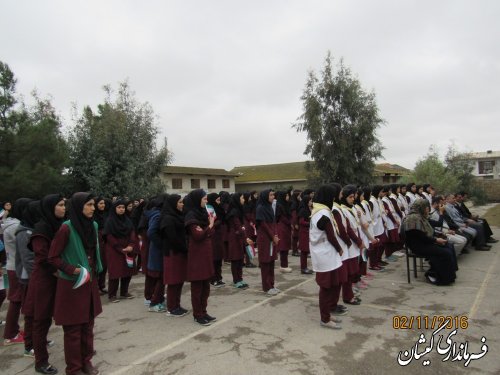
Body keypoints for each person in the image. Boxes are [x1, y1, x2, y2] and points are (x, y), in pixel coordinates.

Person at [48, 192, 103, 375]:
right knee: (73, 330)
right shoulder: (66, 228)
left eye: (93, 205)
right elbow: (53, 257)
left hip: (89, 283)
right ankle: (74, 368)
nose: (93, 208)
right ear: (79, 206)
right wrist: (72, 269)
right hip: (72, 285)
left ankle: (86, 362)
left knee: (88, 326)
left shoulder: (93, 225)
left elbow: (94, 252)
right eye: (89, 205)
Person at [29, 194, 65, 375]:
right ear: (50, 207)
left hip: (59, 277)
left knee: (67, 316)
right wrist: (61, 272)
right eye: (60, 205)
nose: (63, 208)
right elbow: (42, 258)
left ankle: (77, 350)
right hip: (45, 280)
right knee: (41, 320)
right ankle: (41, 361)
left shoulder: (60, 225)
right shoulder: (41, 229)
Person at [310, 185, 345, 329]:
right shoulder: (322, 214)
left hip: (327, 254)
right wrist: (339, 248)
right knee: (325, 288)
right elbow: (330, 235)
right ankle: (324, 319)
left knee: (332, 285)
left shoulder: (321, 211)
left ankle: (328, 315)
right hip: (324, 255)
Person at [403, 199, 457, 286]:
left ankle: (449, 274)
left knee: (448, 246)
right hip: (418, 246)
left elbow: (429, 232)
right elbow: (420, 236)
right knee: (444, 253)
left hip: (424, 243)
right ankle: (434, 275)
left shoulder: (420, 217)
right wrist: (436, 240)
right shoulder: (413, 219)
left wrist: (441, 235)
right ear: (421, 208)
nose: (428, 209)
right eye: (427, 207)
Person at [184, 189, 216, 326]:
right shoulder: (191, 216)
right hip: (197, 255)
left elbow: (209, 233)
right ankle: (197, 314)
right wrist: (210, 226)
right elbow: (198, 236)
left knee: (206, 286)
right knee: (197, 287)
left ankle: (203, 311)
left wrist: (209, 228)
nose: (206, 201)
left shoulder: (202, 213)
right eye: (204, 199)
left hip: (206, 253)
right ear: (197, 200)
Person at [2, 198, 31, 346]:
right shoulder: (15, 227)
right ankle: (10, 333)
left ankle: (13, 330)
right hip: (16, 267)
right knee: (16, 299)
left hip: (13, 265)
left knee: (17, 298)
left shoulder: (11, 223)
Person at [103, 199, 139, 302]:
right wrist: (120, 248)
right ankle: (112, 294)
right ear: (114, 209)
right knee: (115, 272)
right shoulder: (110, 221)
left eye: (123, 207)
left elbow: (132, 232)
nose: (121, 209)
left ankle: (124, 292)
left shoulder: (127, 220)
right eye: (119, 207)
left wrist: (131, 245)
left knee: (128, 271)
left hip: (128, 248)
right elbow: (109, 236)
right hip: (114, 250)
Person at [160, 194, 189, 317]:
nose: (182, 204)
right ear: (173, 204)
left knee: (179, 280)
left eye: (182, 202)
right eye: (180, 202)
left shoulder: (178, 216)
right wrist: (184, 248)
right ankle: (171, 308)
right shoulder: (168, 219)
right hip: (172, 252)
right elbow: (172, 238)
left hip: (180, 252)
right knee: (173, 281)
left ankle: (177, 305)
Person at [255, 189, 280, 296]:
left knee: (271, 262)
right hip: (264, 239)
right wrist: (272, 237)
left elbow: (273, 223)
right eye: (270, 195)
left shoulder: (270, 207)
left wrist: (276, 235)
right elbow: (264, 225)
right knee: (265, 263)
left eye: (273, 195)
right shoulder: (260, 208)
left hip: (271, 238)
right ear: (265, 196)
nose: (272, 197)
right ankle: (266, 287)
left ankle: (272, 285)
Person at [225, 193, 249, 289]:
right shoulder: (234, 212)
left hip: (238, 237)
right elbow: (238, 227)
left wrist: (242, 231)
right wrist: (245, 236)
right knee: (235, 260)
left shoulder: (238, 210)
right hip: (234, 237)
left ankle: (240, 279)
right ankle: (236, 280)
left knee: (240, 259)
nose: (244, 200)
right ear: (237, 199)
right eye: (242, 198)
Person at [207, 193, 226, 286]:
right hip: (212, 236)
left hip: (219, 236)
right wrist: (215, 223)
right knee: (214, 258)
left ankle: (219, 278)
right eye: (217, 200)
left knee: (219, 258)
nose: (219, 202)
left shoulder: (220, 209)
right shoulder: (208, 210)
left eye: (219, 200)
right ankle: (213, 278)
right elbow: (210, 222)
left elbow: (222, 219)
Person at [93, 197, 110, 295]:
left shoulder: (104, 215)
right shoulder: (93, 216)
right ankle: (96, 287)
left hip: (105, 242)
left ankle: (102, 285)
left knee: (104, 264)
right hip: (97, 242)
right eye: (100, 203)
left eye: (103, 203)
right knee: (97, 265)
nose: (102, 205)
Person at [275, 191, 292, 273]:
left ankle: (285, 265)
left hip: (286, 228)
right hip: (282, 228)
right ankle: (283, 265)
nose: (288, 197)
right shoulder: (280, 206)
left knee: (286, 248)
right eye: (287, 195)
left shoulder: (285, 205)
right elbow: (282, 218)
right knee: (283, 247)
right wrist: (290, 223)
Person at [297, 194, 313, 274]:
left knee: (306, 251)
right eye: (310, 201)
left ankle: (305, 267)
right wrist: (310, 223)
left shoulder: (308, 209)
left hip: (308, 232)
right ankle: (303, 268)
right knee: (303, 251)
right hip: (304, 232)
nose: (311, 202)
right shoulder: (303, 210)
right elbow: (301, 222)